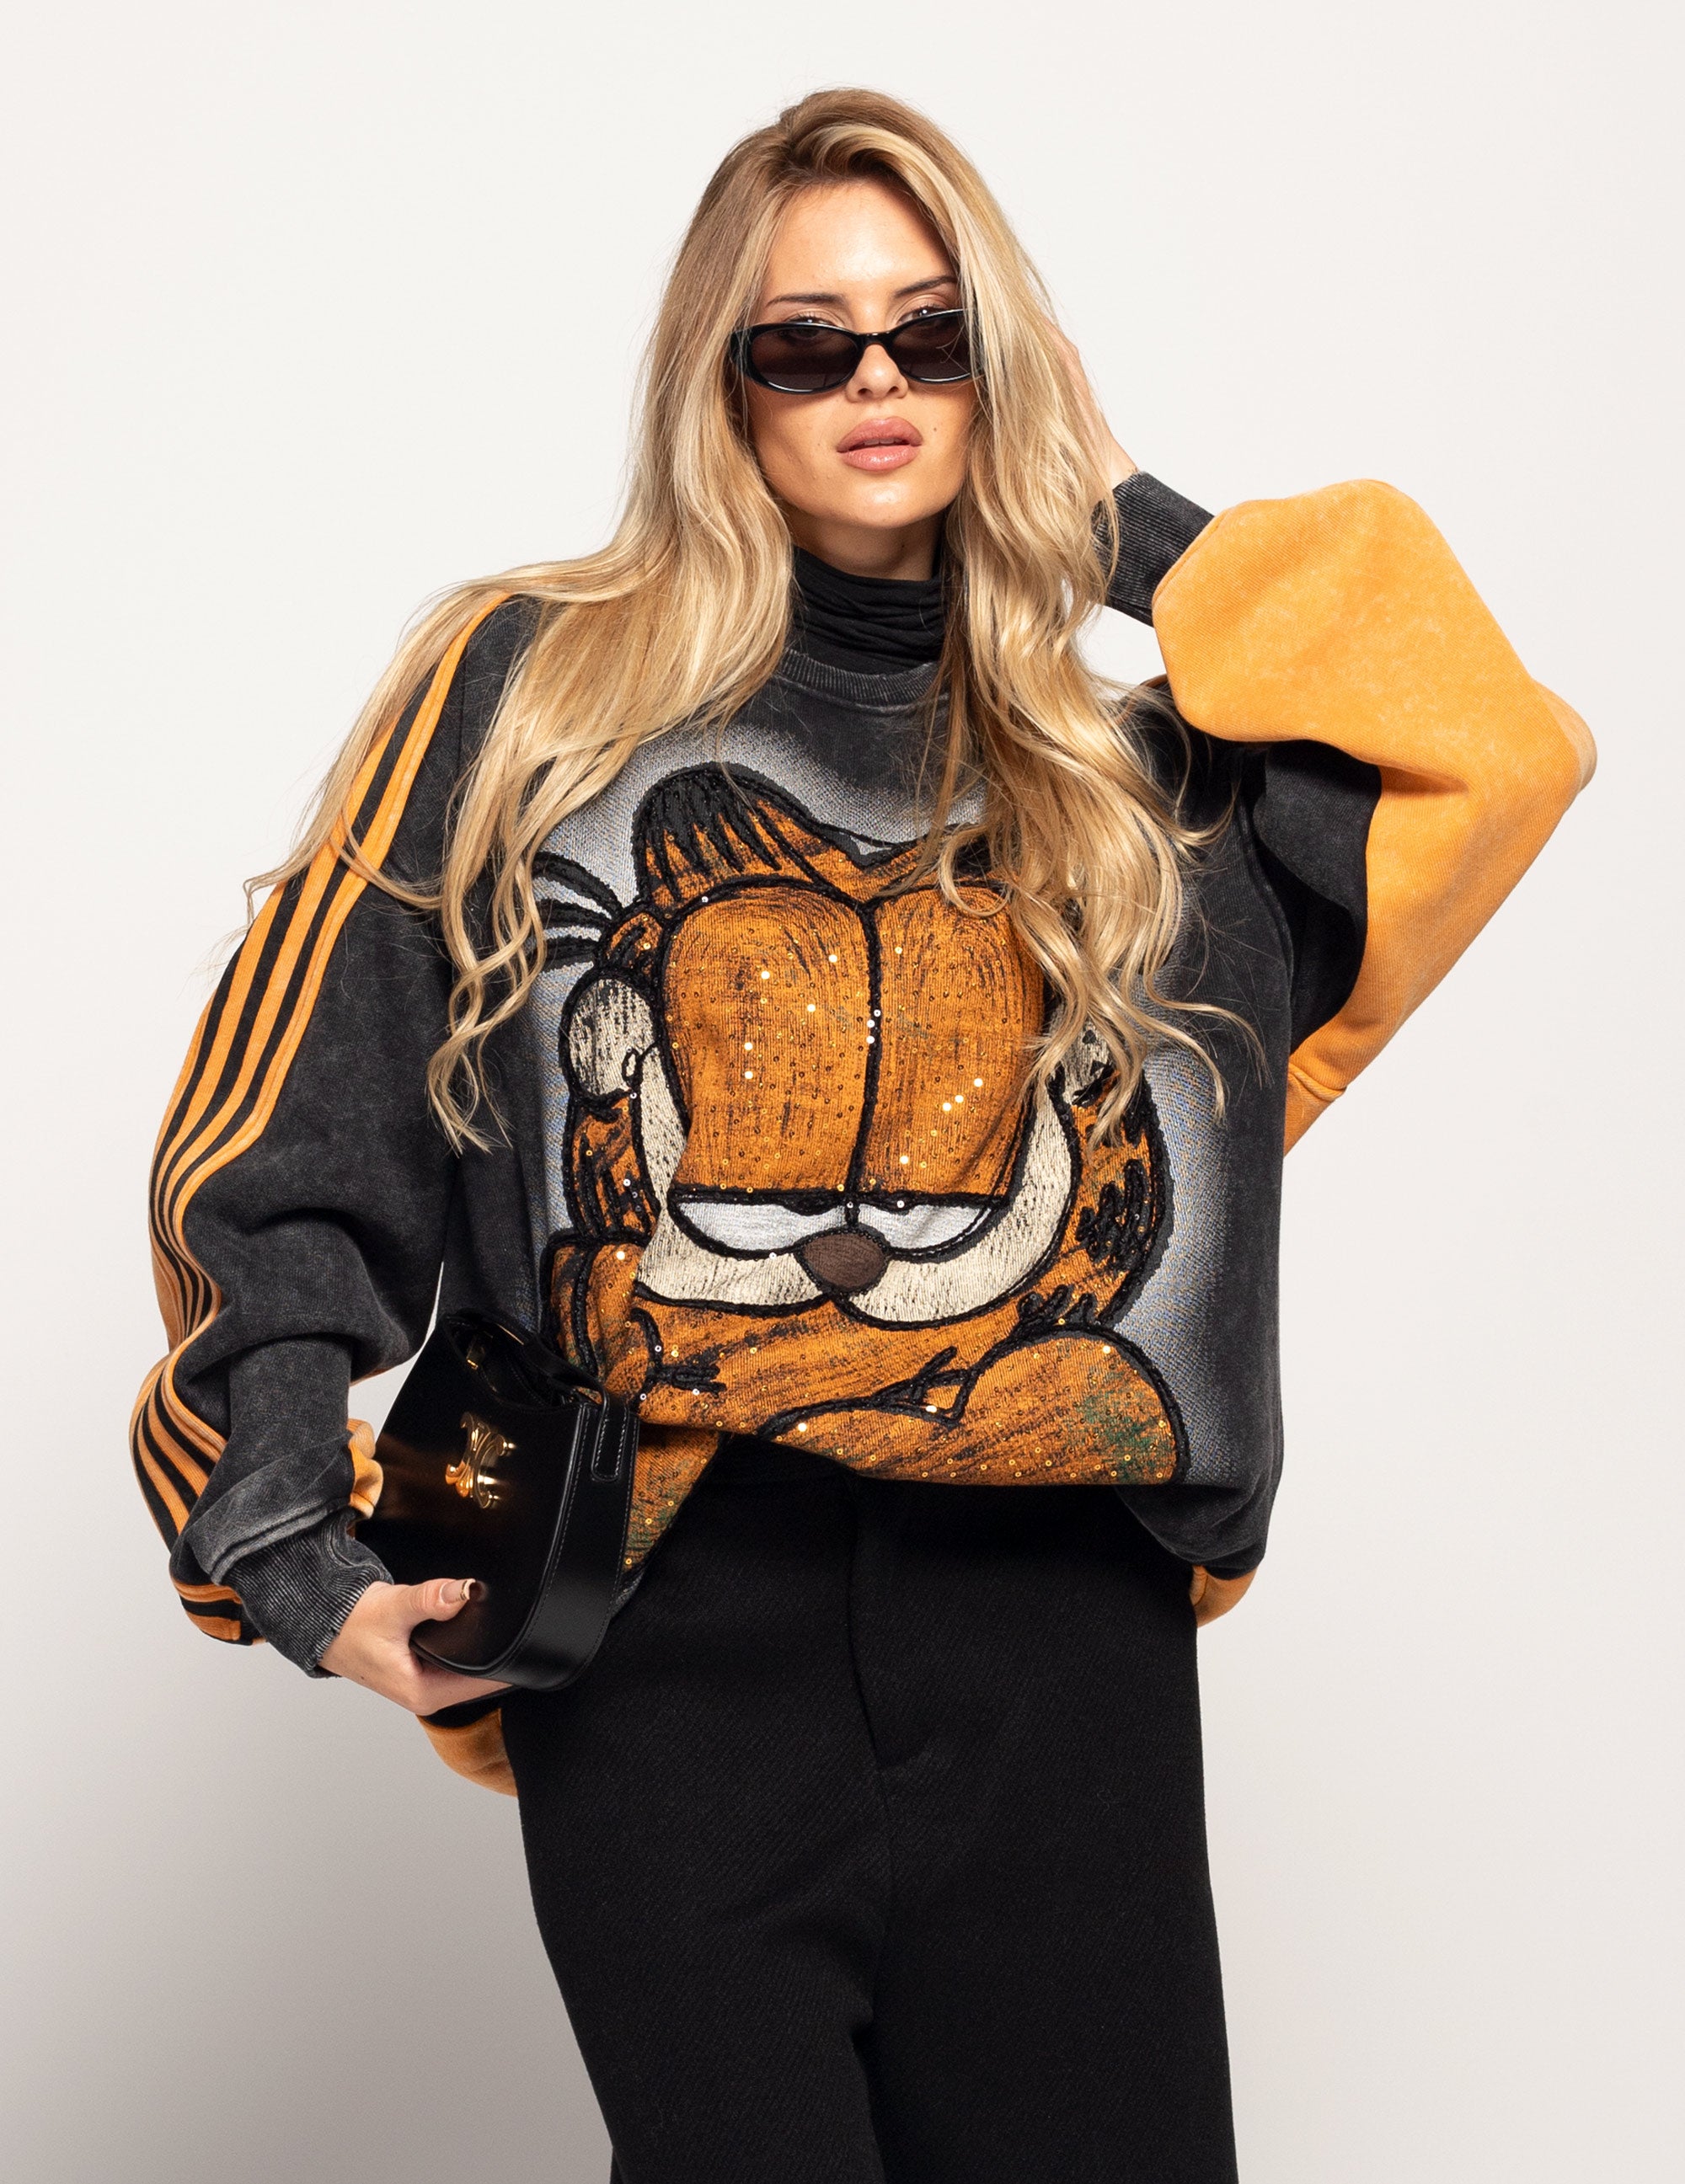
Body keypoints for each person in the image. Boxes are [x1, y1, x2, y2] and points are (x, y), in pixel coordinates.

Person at [131, 87, 1594, 2184]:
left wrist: (1122, 520)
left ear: (1010, 364)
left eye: (934, 334)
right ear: (717, 384)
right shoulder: (528, 694)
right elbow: (286, 1133)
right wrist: (287, 1539)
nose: (877, 384)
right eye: (805, 344)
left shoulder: (1144, 793)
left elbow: (1493, 746)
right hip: (667, 1635)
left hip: (1062, 1642)